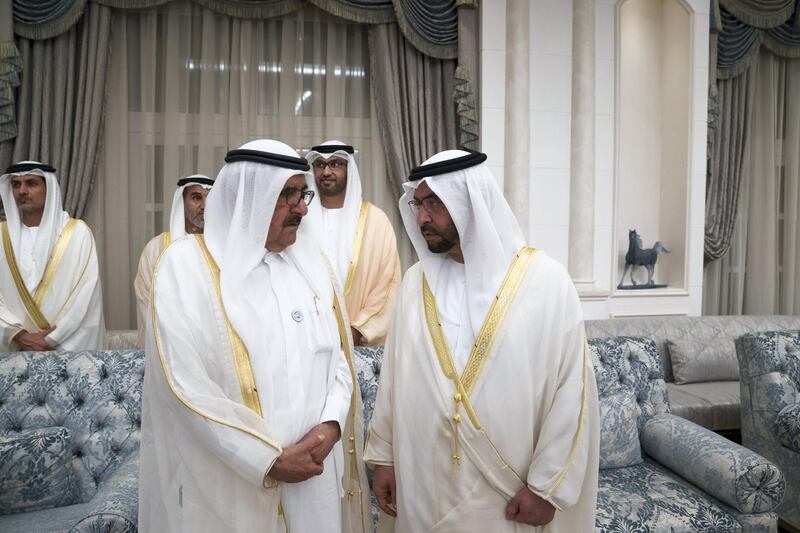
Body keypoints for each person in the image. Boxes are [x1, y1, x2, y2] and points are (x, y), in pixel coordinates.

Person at [139, 140, 370, 532]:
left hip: (315, 482)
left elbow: (339, 362)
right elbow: (185, 386)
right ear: (249, 197)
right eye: (287, 195)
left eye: (303, 193)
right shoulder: (184, 268)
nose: (302, 207)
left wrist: (331, 425)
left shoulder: (314, 265)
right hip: (231, 484)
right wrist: (267, 459)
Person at [364, 149, 600, 532]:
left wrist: (546, 488)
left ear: (471, 202)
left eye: (435, 203)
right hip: (423, 487)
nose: (422, 217)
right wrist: (384, 459)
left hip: (506, 497)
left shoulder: (546, 283)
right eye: (418, 204)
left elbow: (572, 393)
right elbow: (393, 379)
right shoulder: (414, 284)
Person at [0, 161, 104, 351]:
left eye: (31, 183)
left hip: (65, 348)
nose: (22, 191)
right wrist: (17, 335)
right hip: (13, 349)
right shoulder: (1, 236)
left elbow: (86, 294)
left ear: (49, 189)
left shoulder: (77, 233)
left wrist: (52, 339)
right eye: (16, 185)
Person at [305, 141, 400, 346]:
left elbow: (388, 284)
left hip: (357, 344)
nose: (326, 171)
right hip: (307, 340)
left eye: (336, 164)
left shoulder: (376, 221)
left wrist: (355, 332)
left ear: (350, 170)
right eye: (320, 165)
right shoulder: (299, 219)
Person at [133, 174, 213, 347]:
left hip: (210, 349)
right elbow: (146, 302)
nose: (204, 206)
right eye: (196, 198)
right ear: (181, 203)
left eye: (209, 198)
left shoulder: (221, 250)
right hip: (166, 348)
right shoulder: (156, 248)